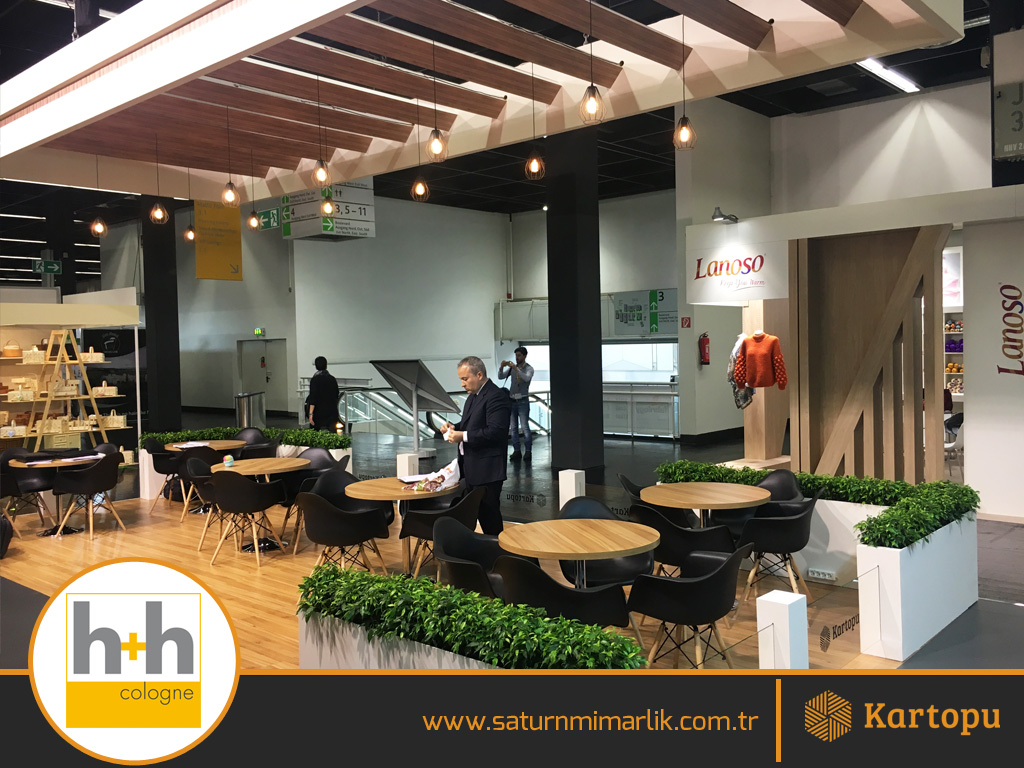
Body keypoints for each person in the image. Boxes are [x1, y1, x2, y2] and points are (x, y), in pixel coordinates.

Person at [440, 356, 511, 534]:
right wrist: (453, 427)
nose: (462, 384)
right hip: (471, 468)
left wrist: (462, 435)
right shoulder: (473, 396)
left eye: (465, 379)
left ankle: (497, 550)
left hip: (487, 471)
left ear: (479, 375)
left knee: (490, 519)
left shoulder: (496, 396)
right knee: (476, 514)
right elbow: (469, 424)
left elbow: (496, 432)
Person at [498, 346, 535, 462]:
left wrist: (516, 369)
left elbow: (526, 378)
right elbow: (500, 377)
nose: (517, 358)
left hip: (523, 400)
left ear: (524, 356)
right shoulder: (512, 369)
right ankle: (517, 450)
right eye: (516, 356)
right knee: (513, 427)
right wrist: (501, 368)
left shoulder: (529, 368)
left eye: (519, 356)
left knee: (524, 427)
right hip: (512, 400)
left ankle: (528, 451)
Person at [305, 356, 340, 432]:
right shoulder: (332, 379)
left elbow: (313, 398)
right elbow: (336, 394)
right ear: (326, 365)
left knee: (315, 433)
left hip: (318, 412)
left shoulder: (315, 380)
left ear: (316, 366)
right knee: (332, 433)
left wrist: (310, 414)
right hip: (331, 411)